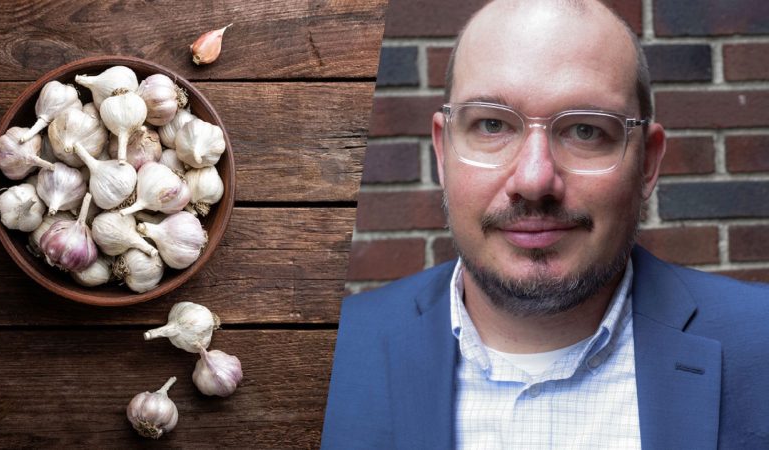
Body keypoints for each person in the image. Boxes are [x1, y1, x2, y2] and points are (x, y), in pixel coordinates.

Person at [321, 0, 769, 449]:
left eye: (585, 130)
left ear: (648, 163)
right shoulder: (329, 354)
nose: (534, 180)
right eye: (492, 124)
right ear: (443, 153)